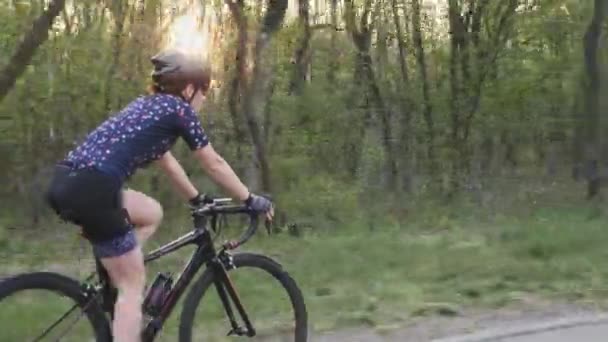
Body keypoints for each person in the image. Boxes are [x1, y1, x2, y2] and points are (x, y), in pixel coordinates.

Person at [44, 49, 273, 342]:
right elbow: (213, 163)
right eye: (205, 91)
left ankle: (115, 269)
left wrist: (195, 198)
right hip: (96, 190)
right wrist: (250, 199)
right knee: (132, 285)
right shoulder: (179, 111)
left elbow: (166, 160)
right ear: (190, 89)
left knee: (151, 212)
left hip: (65, 182)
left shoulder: (148, 106)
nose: (204, 99)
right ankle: (124, 283)